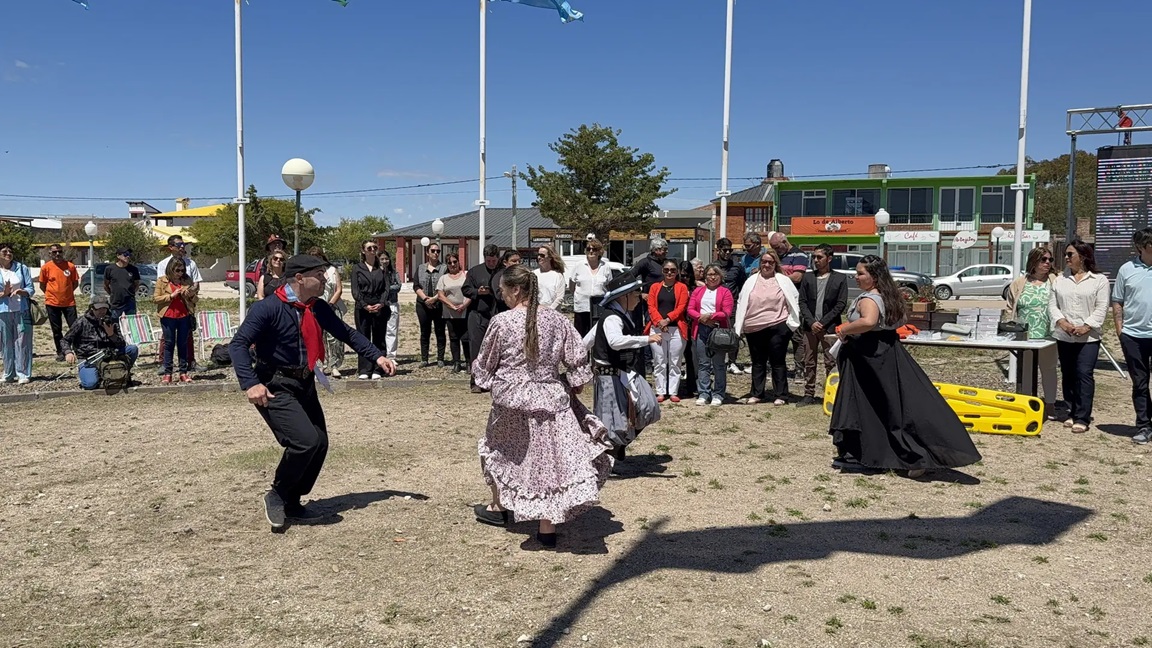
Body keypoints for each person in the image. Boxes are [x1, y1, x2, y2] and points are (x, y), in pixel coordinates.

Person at [228, 254, 397, 530]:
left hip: (304, 382)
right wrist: (250, 383)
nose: (324, 279)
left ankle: (292, 503)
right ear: (299, 278)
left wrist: (377, 356)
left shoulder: (317, 307)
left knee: (319, 442)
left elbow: (347, 333)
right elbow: (238, 345)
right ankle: (277, 493)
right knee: (304, 440)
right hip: (274, 384)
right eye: (318, 274)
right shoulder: (268, 308)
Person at [472, 265, 611, 549]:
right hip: (550, 398)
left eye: (503, 290)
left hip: (512, 400)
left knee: (501, 451)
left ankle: (499, 508)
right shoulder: (557, 320)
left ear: (516, 289)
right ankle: (546, 528)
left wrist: (485, 379)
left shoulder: (502, 322)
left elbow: (485, 364)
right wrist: (573, 382)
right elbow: (577, 357)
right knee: (549, 463)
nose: (502, 296)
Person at [830, 255, 981, 477]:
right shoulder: (887, 296)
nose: (856, 276)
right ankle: (891, 453)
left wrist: (845, 329)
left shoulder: (870, 299)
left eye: (861, 273)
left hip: (870, 358)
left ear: (874, 276)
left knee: (874, 407)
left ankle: (908, 455)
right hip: (883, 355)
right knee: (891, 406)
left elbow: (869, 321)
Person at [583, 271, 662, 459]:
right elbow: (614, 342)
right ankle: (604, 458)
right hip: (608, 376)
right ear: (624, 296)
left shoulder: (618, 315)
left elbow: (586, 341)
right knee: (611, 422)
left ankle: (616, 448)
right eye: (635, 294)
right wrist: (647, 339)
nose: (639, 297)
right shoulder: (612, 318)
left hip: (623, 373)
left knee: (649, 408)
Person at [1049, 240, 1110, 434]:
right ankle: (1071, 410)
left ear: (1082, 256)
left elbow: (1102, 308)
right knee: (1068, 373)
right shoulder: (1059, 279)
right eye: (1066, 254)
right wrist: (1062, 323)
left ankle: (1083, 417)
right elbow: (1053, 306)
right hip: (1065, 335)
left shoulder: (1099, 280)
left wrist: (1087, 326)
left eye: (1070, 254)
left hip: (1088, 338)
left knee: (1084, 373)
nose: (1066, 258)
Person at [734, 249, 802, 406]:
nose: (766, 265)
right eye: (764, 261)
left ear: (775, 264)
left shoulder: (783, 280)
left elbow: (794, 299)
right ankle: (757, 393)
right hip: (754, 327)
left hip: (778, 325)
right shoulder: (751, 280)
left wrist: (790, 324)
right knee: (758, 362)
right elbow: (741, 301)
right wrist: (740, 325)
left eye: (770, 262)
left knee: (778, 361)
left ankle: (781, 395)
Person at [1002, 246, 1060, 419]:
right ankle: (1026, 403)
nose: (1047, 263)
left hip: (1048, 335)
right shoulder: (1020, 283)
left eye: (1050, 260)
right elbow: (1010, 307)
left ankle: (1050, 404)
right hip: (1025, 336)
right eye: (1043, 259)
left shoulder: (1055, 281)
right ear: (1033, 262)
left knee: (1049, 369)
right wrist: (1009, 327)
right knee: (1026, 370)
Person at [1113, 228, 1152, 444]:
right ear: (1141, 248)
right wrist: (1120, 330)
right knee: (1140, 382)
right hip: (1133, 336)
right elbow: (1117, 299)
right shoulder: (1126, 270)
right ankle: (1144, 425)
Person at [797, 244, 848, 407]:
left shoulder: (839, 278)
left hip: (830, 328)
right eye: (814, 257)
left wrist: (823, 322)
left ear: (829, 259)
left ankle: (831, 393)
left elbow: (840, 304)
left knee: (831, 361)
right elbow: (802, 301)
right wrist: (812, 322)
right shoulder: (808, 277)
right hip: (809, 328)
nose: (816, 260)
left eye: (820, 257)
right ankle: (808, 393)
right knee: (809, 361)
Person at [62, 299, 139, 390]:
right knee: (90, 385)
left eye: (104, 308)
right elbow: (65, 340)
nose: (102, 311)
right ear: (92, 309)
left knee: (132, 349)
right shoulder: (81, 322)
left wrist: (111, 335)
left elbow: (121, 344)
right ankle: (100, 375)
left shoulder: (112, 321)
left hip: (109, 354)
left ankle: (122, 373)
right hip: (89, 358)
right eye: (98, 308)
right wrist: (68, 352)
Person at [688, 264, 736, 406]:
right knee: (703, 364)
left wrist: (711, 316)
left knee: (719, 364)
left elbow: (727, 312)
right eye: (709, 274)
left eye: (715, 274)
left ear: (720, 277)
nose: (712, 277)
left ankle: (719, 393)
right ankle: (703, 393)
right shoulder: (698, 291)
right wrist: (700, 317)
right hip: (700, 329)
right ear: (705, 276)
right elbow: (690, 309)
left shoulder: (725, 292)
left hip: (718, 331)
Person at [156, 235, 202, 370]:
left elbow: (196, 283)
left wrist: (191, 292)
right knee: (167, 338)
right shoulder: (163, 264)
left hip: (186, 305)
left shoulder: (191, 263)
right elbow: (162, 285)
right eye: (179, 244)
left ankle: (190, 362)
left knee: (187, 335)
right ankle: (164, 364)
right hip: (169, 307)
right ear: (171, 247)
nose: (182, 247)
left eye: (184, 244)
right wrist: (173, 294)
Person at [462, 244, 503, 393]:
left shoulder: (502, 272)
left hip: (497, 314)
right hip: (477, 314)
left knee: (497, 350)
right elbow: (465, 289)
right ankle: (476, 381)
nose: (491, 263)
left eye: (494, 260)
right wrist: (477, 292)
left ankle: (494, 381)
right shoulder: (474, 271)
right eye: (489, 261)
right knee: (476, 348)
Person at [647, 259, 689, 403]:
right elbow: (651, 306)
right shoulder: (654, 287)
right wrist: (660, 321)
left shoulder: (682, 287)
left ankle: (673, 391)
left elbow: (681, 307)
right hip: (657, 328)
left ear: (677, 272)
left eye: (672, 270)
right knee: (659, 361)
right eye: (666, 270)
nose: (669, 272)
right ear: (662, 271)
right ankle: (660, 391)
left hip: (676, 329)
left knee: (675, 361)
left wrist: (668, 320)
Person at [770, 231, 810, 375]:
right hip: (777, 302)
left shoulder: (799, 255)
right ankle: (777, 366)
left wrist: (776, 277)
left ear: (785, 242)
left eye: (777, 247)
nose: (776, 250)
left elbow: (797, 277)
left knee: (797, 335)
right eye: (773, 248)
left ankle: (799, 368)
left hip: (794, 301)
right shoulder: (777, 257)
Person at [153, 257, 198, 384]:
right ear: (171, 269)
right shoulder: (162, 281)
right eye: (177, 270)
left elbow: (195, 300)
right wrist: (170, 296)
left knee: (183, 344)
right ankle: (168, 373)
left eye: (182, 270)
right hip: (168, 316)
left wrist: (191, 295)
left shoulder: (186, 280)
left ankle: (183, 372)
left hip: (184, 315)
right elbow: (155, 299)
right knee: (169, 343)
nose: (180, 273)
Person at [351, 240, 389, 380]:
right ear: (363, 251)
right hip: (363, 307)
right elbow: (355, 290)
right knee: (363, 338)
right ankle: (365, 369)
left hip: (379, 307)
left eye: (374, 247)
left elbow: (386, 289)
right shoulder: (357, 268)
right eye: (369, 248)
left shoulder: (382, 269)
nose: (372, 250)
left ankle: (379, 368)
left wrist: (381, 303)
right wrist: (364, 305)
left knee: (379, 338)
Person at [309, 247, 348, 378]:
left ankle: (335, 366)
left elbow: (338, 289)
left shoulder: (332, 270)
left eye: (318, 257)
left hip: (333, 307)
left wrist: (330, 304)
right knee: (319, 337)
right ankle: (321, 365)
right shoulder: (309, 273)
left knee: (335, 338)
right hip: (315, 308)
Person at [0, 242, 34, 383]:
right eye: (4, 251)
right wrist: (4, 293)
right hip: (3, 311)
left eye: (10, 251)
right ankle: (8, 373)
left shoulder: (21, 268)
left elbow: (31, 288)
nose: (8, 254)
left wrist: (22, 291)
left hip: (21, 310)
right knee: (5, 343)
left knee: (22, 342)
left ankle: (23, 373)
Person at [39, 243, 80, 362]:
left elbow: (75, 283)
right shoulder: (46, 267)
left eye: (60, 251)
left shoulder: (70, 266)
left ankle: (77, 350)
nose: (57, 254)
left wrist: (66, 293)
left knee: (75, 327)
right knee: (56, 330)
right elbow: (42, 285)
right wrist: (52, 294)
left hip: (69, 303)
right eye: (54, 252)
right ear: (50, 254)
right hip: (52, 303)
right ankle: (61, 351)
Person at [714, 238, 747, 375]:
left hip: (733, 304)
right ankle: (716, 361)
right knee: (716, 333)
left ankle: (732, 361)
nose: (728, 253)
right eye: (725, 250)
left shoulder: (737, 266)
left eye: (730, 250)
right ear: (718, 250)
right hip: (716, 304)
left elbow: (742, 284)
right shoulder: (713, 266)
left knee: (733, 333)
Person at [569, 238, 614, 337]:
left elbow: (609, 286)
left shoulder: (605, 266)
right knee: (580, 336)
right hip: (581, 307)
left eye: (594, 249)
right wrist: (577, 296)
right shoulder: (578, 265)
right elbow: (572, 286)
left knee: (598, 336)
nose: (591, 251)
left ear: (599, 252)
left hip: (599, 307)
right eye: (589, 249)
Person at [436, 252, 471, 372]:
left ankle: (468, 362)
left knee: (466, 338)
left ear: (458, 262)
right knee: (454, 337)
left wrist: (463, 305)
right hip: (450, 312)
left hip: (465, 311)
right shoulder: (443, 278)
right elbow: (441, 295)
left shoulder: (466, 275)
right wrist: (452, 306)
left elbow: (471, 292)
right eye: (449, 262)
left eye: (454, 261)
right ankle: (456, 362)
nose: (452, 264)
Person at [414, 242, 447, 368]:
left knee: (440, 331)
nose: (435, 253)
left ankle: (440, 358)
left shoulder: (444, 268)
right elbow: (416, 285)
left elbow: (445, 286)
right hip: (422, 305)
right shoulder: (421, 267)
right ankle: (424, 358)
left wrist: (434, 299)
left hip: (439, 304)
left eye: (438, 251)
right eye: (433, 251)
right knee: (425, 331)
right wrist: (425, 298)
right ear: (427, 253)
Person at [677, 260, 699, 400]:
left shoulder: (696, 289)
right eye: (682, 275)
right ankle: (675, 387)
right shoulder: (675, 287)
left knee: (692, 357)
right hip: (678, 325)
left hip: (692, 326)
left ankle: (693, 386)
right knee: (676, 358)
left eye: (687, 275)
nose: (685, 278)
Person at [103, 247, 140, 319]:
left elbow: (136, 284)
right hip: (116, 302)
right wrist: (112, 294)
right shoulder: (110, 269)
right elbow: (105, 285)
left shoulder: (133, 269)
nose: (128, 256)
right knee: (115, 324)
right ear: (118, 256)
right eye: (125, 254)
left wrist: (131, 293)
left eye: (129, 254)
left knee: (131, 323)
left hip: (130, 302)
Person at [377, 249, 401, 360]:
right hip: (378, 305)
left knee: (392, 330)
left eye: (386, 259)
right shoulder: (375, 272)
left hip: (392, 303)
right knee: (379, 330)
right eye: (382, 259)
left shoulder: (394, 272)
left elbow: (398, 286)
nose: (384, 261)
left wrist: (385, 289)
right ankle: (380, 354)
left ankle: (391, 356)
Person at [533, 244, 567, 309]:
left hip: (553, 313)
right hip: (536, 312)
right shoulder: (533, 274)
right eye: (538, 255)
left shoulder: (558, 275)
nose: (539, 257)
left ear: (550, 257)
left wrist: (549, 310)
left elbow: (559, 297)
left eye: (542, 255)